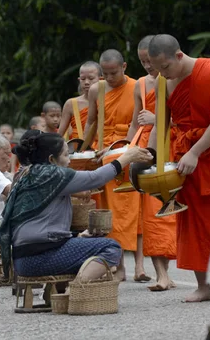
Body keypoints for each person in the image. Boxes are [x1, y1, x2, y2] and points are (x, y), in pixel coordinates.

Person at [147, 34, 210, 302]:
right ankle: (203, 286)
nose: (161, 74)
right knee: (191, 221)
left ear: (178, 55)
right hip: (182, 159)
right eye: (156, 69)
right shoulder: (165, 82)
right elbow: (161, 123)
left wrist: (195, 152)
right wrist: (150, 158)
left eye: (165, 67)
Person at [0, 131, 153, 280]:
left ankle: (62, 291)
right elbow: (96, 178)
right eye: (66, 155)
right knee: (111, 248)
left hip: (22, 260)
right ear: (52, 159)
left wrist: (75, 236)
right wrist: (126, 157)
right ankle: (75, 291)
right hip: (41, 258)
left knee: (85, 245)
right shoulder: (53, 174)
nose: (69, 161)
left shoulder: (27, 173)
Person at [84, 49, 142, 281]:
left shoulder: (137, 86)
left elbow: (136, 122)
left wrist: (120, 148)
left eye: (113, 73)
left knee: (130, 213)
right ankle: (118, 266)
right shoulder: (97, 89)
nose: (109, 78)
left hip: (126, 150)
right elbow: (90, 122)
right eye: (105, 73)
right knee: (106, 214)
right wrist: (81, 151)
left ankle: (138, 266)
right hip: (101, 153)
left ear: (125, 67)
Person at [126, 35, 177, 291]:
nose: (147, 66)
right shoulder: (140, 85)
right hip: (148, 150)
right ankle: (161, 274)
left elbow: (180, 116)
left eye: (150, 60)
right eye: (143, 61)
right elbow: (135, 122)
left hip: (173, 146)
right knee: (152, 214)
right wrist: (125, 152)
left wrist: (157, 118)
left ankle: (167, 272)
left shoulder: (175, 79)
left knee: (169, 210)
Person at [58, 61, 102, 140]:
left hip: (103, 147)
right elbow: (60, 134)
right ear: (79, 80)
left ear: (101, 79)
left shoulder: (108, 101)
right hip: (78, 149)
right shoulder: (71, 104)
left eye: (91, 78)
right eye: (83, 79)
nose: (86, 82)